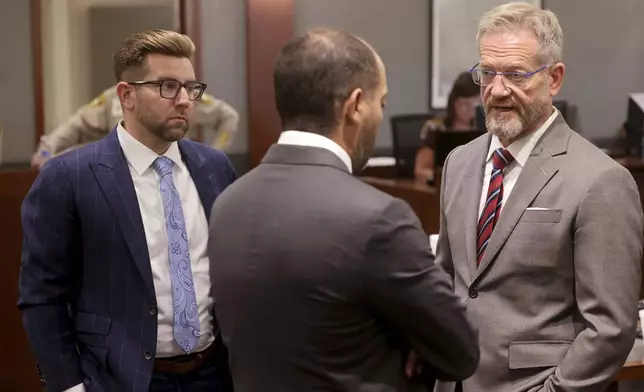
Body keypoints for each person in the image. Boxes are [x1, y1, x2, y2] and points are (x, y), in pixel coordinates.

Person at [208, 27, 479, 392]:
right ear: (354, 106)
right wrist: (410, 343)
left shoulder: (227, 204)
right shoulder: (379, 219)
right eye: (380, 103)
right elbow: (460, 352)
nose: (381, 115)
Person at [433, 3, 643, 392]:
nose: (497, 90)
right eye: (487, 73)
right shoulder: (458, 163)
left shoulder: (602, 180)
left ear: (554, 78)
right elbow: (448, 279)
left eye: (515, 75)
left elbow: (611, 328)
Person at [18, 29, 236, 392]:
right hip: (121, 378)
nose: (184, 100)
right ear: (127, 94)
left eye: (191, 88)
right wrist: (69, 386)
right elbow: (43, 295)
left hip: (213, 373)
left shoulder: (215, 167)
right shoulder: (68, 178)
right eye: (168, 86)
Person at [30, 82, 239, 170]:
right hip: (123, 176)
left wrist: (213, 154)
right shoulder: (115, 97)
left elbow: (228, 117)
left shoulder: (182, 94)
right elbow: (77, 124)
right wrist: (48, 149)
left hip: (175, 172)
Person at [414, 72, 479, 181]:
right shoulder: (435, 127)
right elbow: (420, 170)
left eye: (476, 104)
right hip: (443, 189)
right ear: (453, 103)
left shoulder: (486, 128)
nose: (471, 109)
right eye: (465, 104)